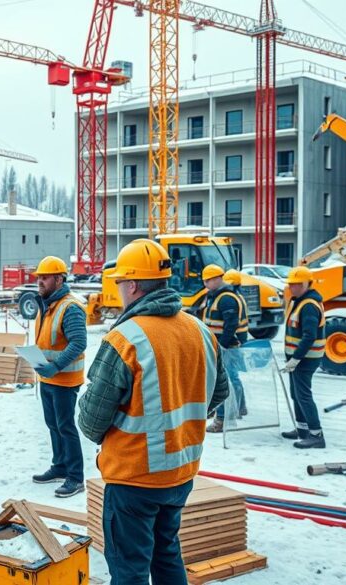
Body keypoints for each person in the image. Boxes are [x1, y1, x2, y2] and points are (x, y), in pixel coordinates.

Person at [78, 239, 228, 585]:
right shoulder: (200, 330)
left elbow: (91, 421)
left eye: (119, 283)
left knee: (129, 570)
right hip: (181, 473)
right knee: (166, 554)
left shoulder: (124, 339)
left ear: (131, 285)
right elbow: (219, 393)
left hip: (134, 478)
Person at [30, 256, 87, 498]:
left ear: (59, 279)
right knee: (53, 425)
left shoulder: (69, 307)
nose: (40, 282)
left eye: (44, 278)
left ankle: (75, 477)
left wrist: (56, 366)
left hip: (64, 379)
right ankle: (60, 465)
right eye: (39, 278)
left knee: (65, 426)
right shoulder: (48, 304)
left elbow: (79, 343)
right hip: (48, 378)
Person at [281, 266, 327, 449]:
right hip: (299, 357)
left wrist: (296, 359)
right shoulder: (298, 301)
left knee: (303, 395)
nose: (293, 287)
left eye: (297, 284)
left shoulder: (308, 305)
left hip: (306, 358)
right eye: (291, 284)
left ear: (308, 284)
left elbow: (309, 336)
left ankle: (316, 435)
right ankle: (302, 430)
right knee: (296, 394)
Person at [201, 264, 249, 434]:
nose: (205, 284)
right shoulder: (216, 296)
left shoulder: (226, 298)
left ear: (217, 279)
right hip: (221, 346)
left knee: (222, 381)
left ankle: (221, 419)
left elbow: (231, 325)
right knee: (229, 378)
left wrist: (221, 345)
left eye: (207, 280)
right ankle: (236, 408)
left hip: (225, 347)